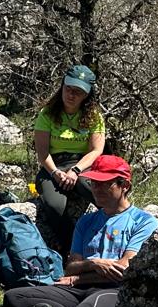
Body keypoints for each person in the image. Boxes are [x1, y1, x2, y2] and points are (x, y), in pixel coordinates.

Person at [5, 155, 157, 307]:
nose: (96, 189)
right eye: (93, 183)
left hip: (114, 290)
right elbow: (70, 266)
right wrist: (94, 263)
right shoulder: (86, 221)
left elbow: (123, 271)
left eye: (104, 184)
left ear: (125, 186)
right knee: (14, 297)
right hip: (78, 289)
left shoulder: (143, 221)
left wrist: (79, 278)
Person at [31, 64, 107, 256]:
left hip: (82, 164)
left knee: (96, 191)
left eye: (78, 92)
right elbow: (42, 153)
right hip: (53, 166)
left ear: (86, 95)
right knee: (55, 206)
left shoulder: (94, 116)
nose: (71, 95)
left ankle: (113, 231)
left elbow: (96, 150)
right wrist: (55, 172)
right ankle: (72, 248)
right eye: (68, 88)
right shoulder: (47, 114)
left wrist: (76, 170)